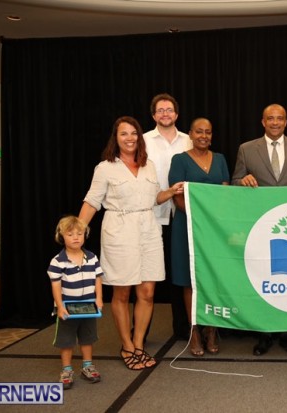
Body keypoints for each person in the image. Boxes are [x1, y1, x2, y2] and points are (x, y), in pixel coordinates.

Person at [79, 116, 184, 370]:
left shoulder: (148, 166)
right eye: (124, 134)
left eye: (134, 133)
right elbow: (92, 201)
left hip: (149, 230)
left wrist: (170, 192)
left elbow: (154, 198)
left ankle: (138, 344)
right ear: (115, 138)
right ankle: (126, 345)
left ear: (139, 137)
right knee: (122, 292)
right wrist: (78, 231)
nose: (129, 138)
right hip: (119, 231)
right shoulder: (105, 168)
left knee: (147, 292)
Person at [232, 103, 287, 356]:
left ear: (286, 122)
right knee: (264, 280)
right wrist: (242, 181)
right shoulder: (246, 149)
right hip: (260, 227)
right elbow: (235, 180)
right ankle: (264, 335)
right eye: (270, 118)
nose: (275, 122)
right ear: (263, 122)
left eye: (279, 118)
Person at [168, 118, 230, 356]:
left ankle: (211, 330)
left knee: (214, 278)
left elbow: (225, 193)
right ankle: (194, 330)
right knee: (190, 280)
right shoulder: (179, 160)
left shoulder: (220, 159)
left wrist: (214, 221)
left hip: (215, 228)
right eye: (199, 131)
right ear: (191, 134)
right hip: (187, 226)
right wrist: (199, 219)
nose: (204, 136)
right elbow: (177, 196)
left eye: (208, 132)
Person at [144, 93, 192, 341]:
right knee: (147, 277)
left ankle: (183, 329)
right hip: (153, 213)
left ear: (176, 114)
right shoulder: (143, 141)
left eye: (169, 110)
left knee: (180, 272)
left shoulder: (189, 140)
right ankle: (141, 333)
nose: (165, 114)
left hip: (182, 213)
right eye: (160, 110)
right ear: (154, 115)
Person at [48, 215, 103, 389]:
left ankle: (87, 366)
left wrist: (99, 298)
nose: (76, 237)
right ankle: (66, 370)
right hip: (67, 307)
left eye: (79, 233)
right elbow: (55, 286)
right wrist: (60, 306)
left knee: (87, 338)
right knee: (66, 340)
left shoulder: (92, 257)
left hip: (88, 306)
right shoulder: (57, 261)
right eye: (70, 234)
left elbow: (98, 279)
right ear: (61, 236)